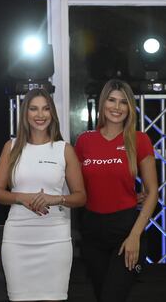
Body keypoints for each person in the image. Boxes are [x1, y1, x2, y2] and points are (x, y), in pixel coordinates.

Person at [0, 88, 86, 301]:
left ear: (52, 113)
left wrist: (56, 199)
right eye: (33, 109)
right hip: (18, 240)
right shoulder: (11, 147)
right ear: (25, 113)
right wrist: (21, 197)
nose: (40, 115)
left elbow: (80, 196)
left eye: (45, 109)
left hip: (55, 240)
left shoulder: (64, 149)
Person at [74, 79, 157, 302]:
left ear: (130, 107)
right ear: (103, 104)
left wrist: (135, 236)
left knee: (113, 296)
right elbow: (76, 188)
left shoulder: (139, 140)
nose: (117, 107)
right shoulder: (84, 141)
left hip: (126, 230)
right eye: (111, 100)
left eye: (123, 102)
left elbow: (153, 192)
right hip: (92, 230)